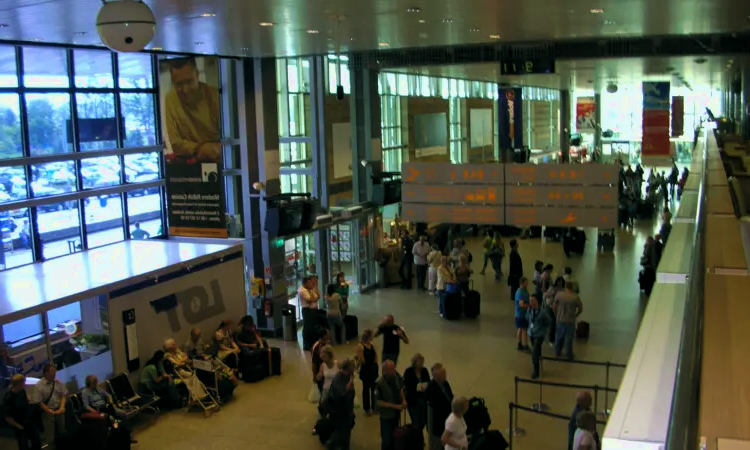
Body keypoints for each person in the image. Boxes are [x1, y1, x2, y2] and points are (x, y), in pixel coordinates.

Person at [163, 57, 221, 162]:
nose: (185, 90)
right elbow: (174, 142)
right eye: (179, 84)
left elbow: (232, 138)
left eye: (189, 81)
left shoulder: (216, 96)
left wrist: (217, 147)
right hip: (190, 163)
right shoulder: (170, 99)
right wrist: (200, 148)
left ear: (197, 75)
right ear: (173, 82)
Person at [81, 375, 137, 444]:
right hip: (98, 410)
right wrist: (95, 412)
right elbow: (86, 406)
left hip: (107, 407)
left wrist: (110, 402)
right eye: (94, 382)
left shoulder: (97, 388)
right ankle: (118, 438)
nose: (96, 383)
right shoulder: (85, 392)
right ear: (89, 383)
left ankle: (127, 436)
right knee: (113, 420)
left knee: (123, 414)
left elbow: (108, 395)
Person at [324, 358, 357, 450]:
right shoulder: (339, 377)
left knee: (347, 431)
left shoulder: (347, 376)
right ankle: (330, 444)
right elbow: (341, 393)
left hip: (347, 409)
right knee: (341, 431)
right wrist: (350, 384)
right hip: (339, 410)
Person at [4, 374, 42, 450]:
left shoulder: (22, 391)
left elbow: (26, 400)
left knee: (37, 443)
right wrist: (20, 427)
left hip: (29, 422)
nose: (25, 384)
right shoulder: (8, 397)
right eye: (24, 382)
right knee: (23, 447)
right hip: (19, 425)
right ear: (20, 384)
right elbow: (8, 417)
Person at [375, 360, 407, 450]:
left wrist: (403, 400)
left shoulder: (396, 377)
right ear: (385, 370)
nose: (394, 370)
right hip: (386, 416)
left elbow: (400, 388)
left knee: (395, 437)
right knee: (386, 440)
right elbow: (378, 402)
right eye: (391, 369)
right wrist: (395, 406)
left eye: (394, 368)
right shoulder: (379, 383)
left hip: (396, 415)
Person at [34, 363, 66, 450]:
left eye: (54, 370)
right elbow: (39, 402)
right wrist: (50, 411)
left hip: (59, 411)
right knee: (50, 437)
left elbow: (63, 395)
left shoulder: (58, 382)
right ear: (46, 373)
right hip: (47, 414)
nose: (54, 373)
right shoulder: (39, 385)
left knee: (62, 433)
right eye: (52, 371)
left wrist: (62, 407)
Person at [424, 363, 454, 450]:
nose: (445, 376)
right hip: (437, 424)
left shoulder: (445, 383)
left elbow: (450, 397)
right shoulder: (430, 388)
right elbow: (428, 403)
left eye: (445, 374)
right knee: (437, 445)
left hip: (446, 420)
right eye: (443, 375)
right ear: (436, 376)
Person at [553, 282, 584, 359]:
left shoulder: (559, 295)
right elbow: (580, 309)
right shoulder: (575, 297)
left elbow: (554, 306)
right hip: (570, 320)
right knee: (568, 338)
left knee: (558, 337)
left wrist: (556, 314)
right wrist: (576, 315)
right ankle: (569, 354)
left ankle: (557, 353)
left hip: (560, 319)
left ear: (565, 287)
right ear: (572, 287)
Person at [403, 353, 430, 432]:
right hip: (413, 400)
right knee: (416, 421)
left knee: (423, 421)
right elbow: (407, 385)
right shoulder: (409, 371)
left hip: (422, 399)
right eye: (420, 362)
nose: (422, 364)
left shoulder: (424, 371)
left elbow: (428, 381)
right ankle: (418, 440)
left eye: (422, 362)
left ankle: (418, 437)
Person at [527, 295, 552, 379]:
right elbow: (527, 318)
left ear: (537, 301)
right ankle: (538, 362)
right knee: (537, 351)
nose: (531, 302)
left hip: (539, 335)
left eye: (533, 300)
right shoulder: (530, 310)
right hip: (531, 333)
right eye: (530, 300)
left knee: (534, 353)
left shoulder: (543, 313)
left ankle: (536, 372)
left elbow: (549, 322)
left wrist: (543, 330)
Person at [357, 329, 379, 416]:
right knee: (366, 389)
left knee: (374, 389)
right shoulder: (361, 346)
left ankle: (375, 407)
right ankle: (367, 408)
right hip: (366, 369)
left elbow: (376, 355)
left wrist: (376, 364)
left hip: (373, 369)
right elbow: (361, 359)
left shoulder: (372, 344)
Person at [317, 345, 338, 416]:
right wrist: (319, 376)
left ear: (330, 355)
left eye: (325, 357)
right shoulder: (322, 365)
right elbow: (319, 375)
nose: (323, 359)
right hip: (326, 389)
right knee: (323, 405)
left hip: (336, 389)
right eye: (322, 357)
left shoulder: (337, 364)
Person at [514, 276, 530, 351]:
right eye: (526, 282)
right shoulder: (519, 292)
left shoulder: (525, 290)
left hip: (522, 314)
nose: (527, 283)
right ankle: (525, 345)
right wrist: (529, 306)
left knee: (520, 329)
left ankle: (519, 343)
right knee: (524, 329)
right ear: (522, 283)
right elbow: (521, 304)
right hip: (521, 314)